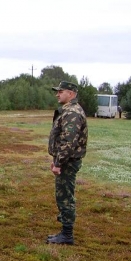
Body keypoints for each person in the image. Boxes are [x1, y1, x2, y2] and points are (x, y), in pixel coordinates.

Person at [47, 81, 88, 245]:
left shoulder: (72, 113)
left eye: (61, 91)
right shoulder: (67, 111)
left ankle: (67, 235)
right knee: (62, 195)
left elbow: (68, 142)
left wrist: (58, 163)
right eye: (57, 91)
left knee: (65, 197)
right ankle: (65, 231)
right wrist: (56, 159)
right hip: (65, 160)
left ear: (71, 94)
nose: (57, 94)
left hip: (68, 162)